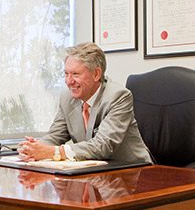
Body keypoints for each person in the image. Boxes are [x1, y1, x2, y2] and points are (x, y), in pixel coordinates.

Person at [18, 42, 152, 164]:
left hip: (133, 173)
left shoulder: (118, 96)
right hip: (95, 173)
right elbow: (54, 136)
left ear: (96, 74)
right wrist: (32, 148)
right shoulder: (67, 98)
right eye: (66, 74)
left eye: (75, 74)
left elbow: (103, 145)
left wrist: (54, 152)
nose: (69, 81)